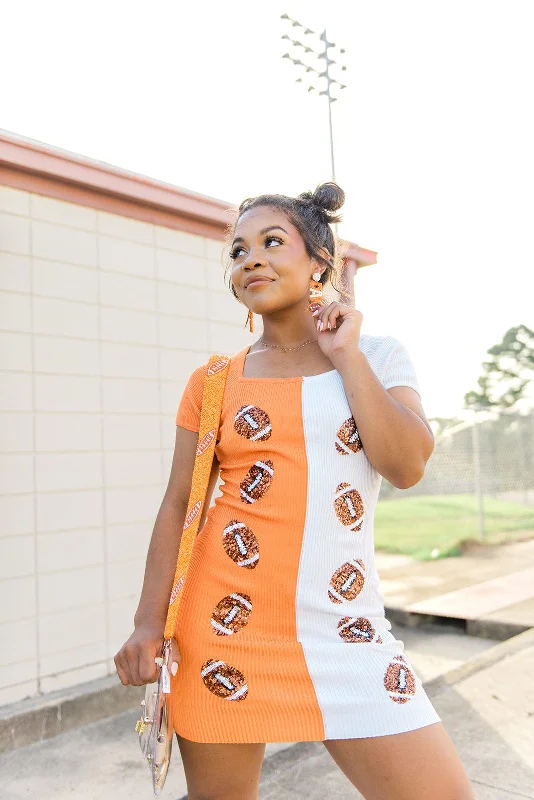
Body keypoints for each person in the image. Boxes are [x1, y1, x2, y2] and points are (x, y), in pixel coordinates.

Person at [114, 182, 474, 799]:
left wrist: (346, 355)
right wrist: (149, 623)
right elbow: (179, 504)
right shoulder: (213, 383)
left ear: (319, 262)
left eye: (272, 242)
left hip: (347, 629)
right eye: (237, 250)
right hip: (225, 631)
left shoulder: (378, 355)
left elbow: (407, 464)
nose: (250, 258)